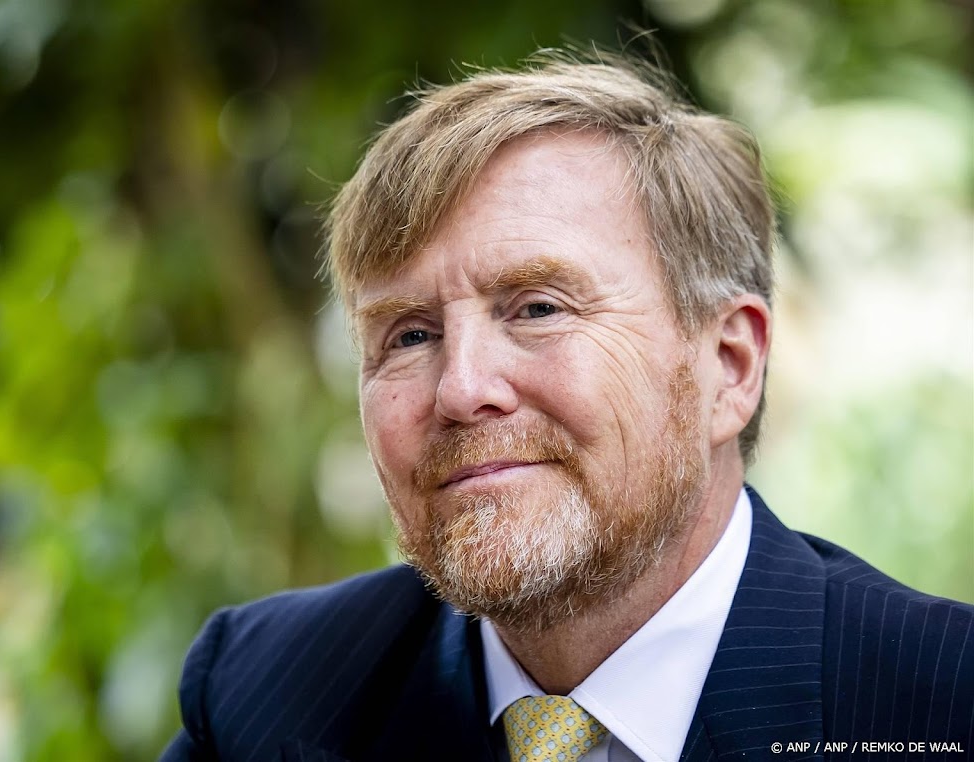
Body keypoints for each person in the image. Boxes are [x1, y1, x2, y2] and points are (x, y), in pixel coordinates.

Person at [160, 51, 973, 762]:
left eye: (538, 308)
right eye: (409, 335)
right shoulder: (265, 690)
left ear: (729, 367)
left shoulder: (941, 703)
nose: (461, 389)